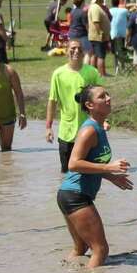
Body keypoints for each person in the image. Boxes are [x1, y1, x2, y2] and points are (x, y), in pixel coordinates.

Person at [57, 85, 132, 268]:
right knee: (101, 249)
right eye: (102, 96)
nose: (108, 98)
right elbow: (73, 164)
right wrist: (109, 166)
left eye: (108, 94)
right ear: (90, 105)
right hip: (76, 196)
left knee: (81, 248)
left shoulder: (99, 127)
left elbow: (89, 162)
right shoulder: (89, 130)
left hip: (70, 195)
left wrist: (111, 176)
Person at [45, 39, 102, 173]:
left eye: (79, 49)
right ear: (66, 52)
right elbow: (52, 101)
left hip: (88, 132)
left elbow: (100, 99)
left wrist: (103, 121)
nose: (76, 51)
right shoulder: (58, 74)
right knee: (66, 175)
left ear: (84, 53)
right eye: (73, 48)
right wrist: (48, 127)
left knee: (89, 173)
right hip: (66, 134)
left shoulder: (92, 72)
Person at [86, 0, 110, 76]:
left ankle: (94, 73)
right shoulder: (95, 7)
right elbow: (96, 22)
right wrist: (100, 33)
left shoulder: (95, 7)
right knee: (101, 56)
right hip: (98, 36)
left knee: (95, 55)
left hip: (95, 36)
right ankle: (102, 73)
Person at [109, 0, 130, 73]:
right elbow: (129, 18)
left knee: (115, 51)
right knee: (122, 50)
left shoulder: (109, 10)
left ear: (111, 3)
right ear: (118, 3)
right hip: (123, 33)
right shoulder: (124, 11)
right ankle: (123, 66)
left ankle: (116, 67)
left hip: (112, 33)